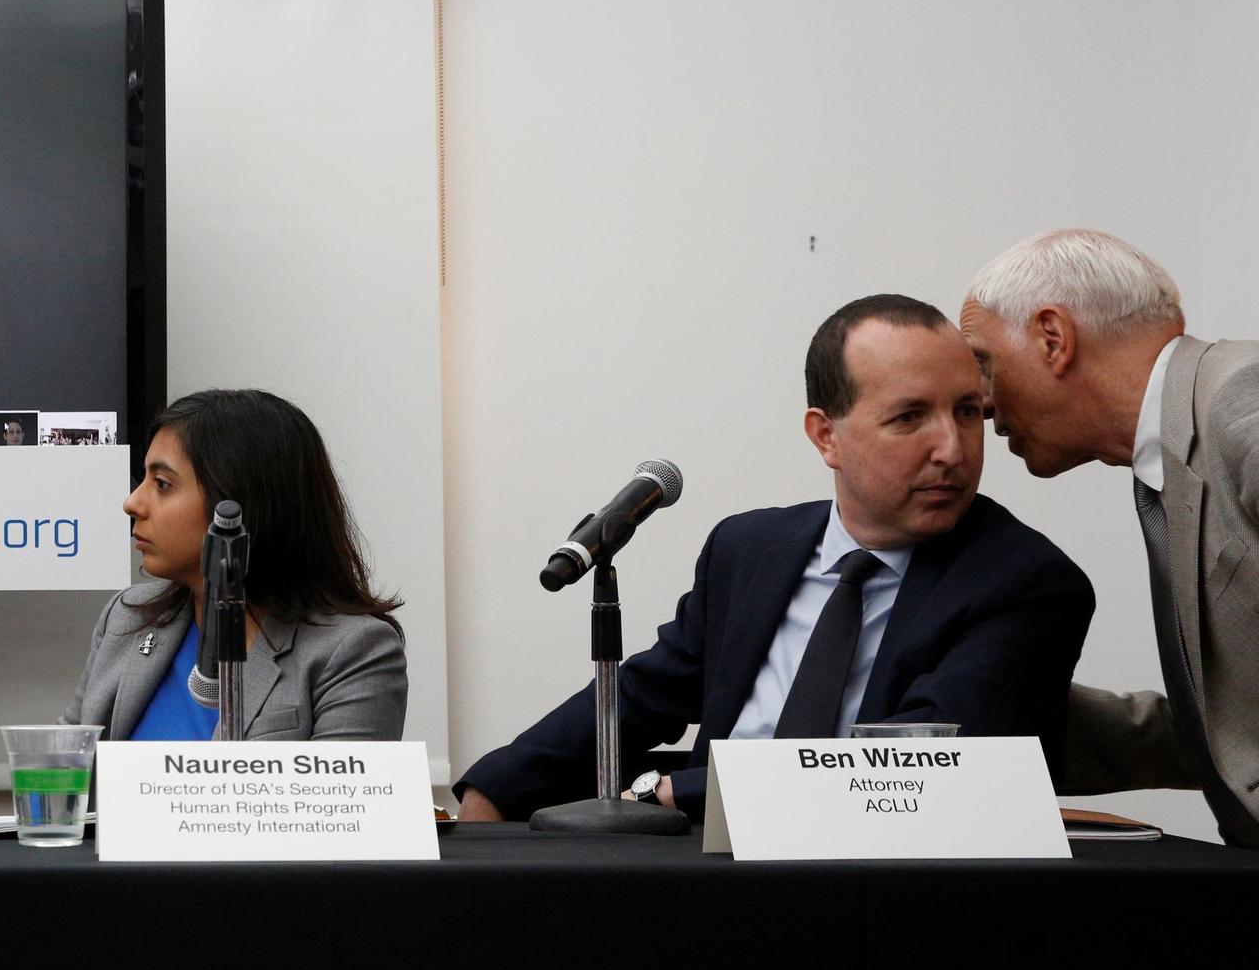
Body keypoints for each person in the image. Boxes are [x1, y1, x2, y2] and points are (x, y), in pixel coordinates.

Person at [457, 294, 1094, 822]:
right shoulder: (750, 551)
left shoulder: (1025, 583)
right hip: (704, 870)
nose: (952, 450)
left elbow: (921, 769)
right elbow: (645, 693)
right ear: (826, 436)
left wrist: (678, 792)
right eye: (909, 418)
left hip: (880, 881)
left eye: (966, 413)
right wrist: (495, 790)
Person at [961, 229, 1259, 846]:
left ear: (1053, 338)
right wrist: (976, 713)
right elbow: (1236, 726)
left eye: (984, 364)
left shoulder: (1242, 399)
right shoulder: (1168, 462)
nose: (982, 406)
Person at [64, 388, 407, 742]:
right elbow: (62, 763)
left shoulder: (354, 651)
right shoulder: (127, 617)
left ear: (240, 501)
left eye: (163, 484)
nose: (132, 502)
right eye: (144, 480)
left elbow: (341, 798)